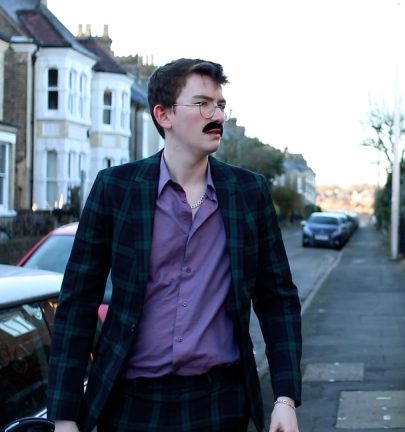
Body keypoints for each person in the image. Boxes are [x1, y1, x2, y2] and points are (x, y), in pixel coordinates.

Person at [46, 58, 302, 432]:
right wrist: (65, 416)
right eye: (203, 104)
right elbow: (77, 303)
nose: (217, 114)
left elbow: (277, 298)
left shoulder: (248, 192)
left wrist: (285, 398)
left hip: (221, 402)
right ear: (163, 115)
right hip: (129, 404)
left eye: (220, 105)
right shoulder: (116, 189)